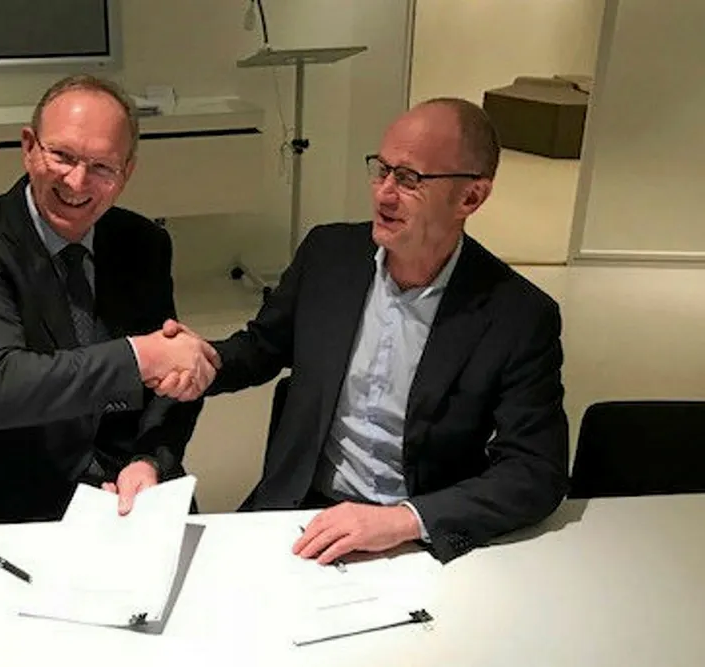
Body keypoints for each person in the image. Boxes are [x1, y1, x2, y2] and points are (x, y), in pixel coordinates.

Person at [157, 98, 569, 563]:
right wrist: (200, 359)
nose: (384, 194)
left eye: (409, 179)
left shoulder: (517, 314)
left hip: (417, 534)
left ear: (470, 197)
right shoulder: (329, 255)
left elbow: (536, 470)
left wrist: (404, 520)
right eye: (382, 170)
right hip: (302, 507)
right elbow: (262, 347)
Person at [0, 74, 219, 526]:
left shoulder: (143, 241)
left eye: (102, 166)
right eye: (62, 155)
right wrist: (140, 357)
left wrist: (150, 460)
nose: (77, 181)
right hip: (12, 502)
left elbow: (168, 382)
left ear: (127, 171)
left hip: (128, 498)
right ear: (29, 147)